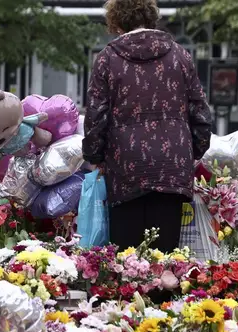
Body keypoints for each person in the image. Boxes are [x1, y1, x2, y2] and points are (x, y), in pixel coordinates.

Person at [82, 0, 213, 252]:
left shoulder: (107, 59)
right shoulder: (180, 56)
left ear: (116, 21)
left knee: (127, 262)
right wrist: (192, 152)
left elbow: (96, 116)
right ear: (152, 17)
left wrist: (95, 156)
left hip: (125, 169)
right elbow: (201, 114)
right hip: (172, 167)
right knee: (165, 263)